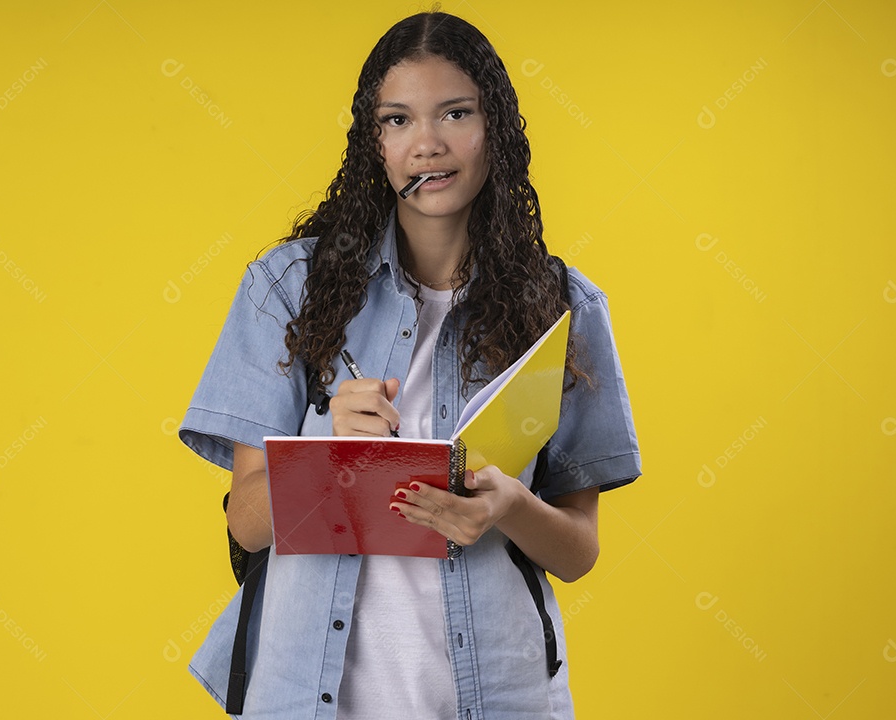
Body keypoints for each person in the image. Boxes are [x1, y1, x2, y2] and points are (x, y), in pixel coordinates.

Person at [178, 9, 640, 719]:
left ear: (498, 131)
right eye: (397, 121)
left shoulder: (564, 306)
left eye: (456, 113)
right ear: (374, 143)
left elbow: (578, 551)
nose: (427, 144)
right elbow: (247, 522)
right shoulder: (287, 288)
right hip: (311, 694)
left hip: (498, 693)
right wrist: (327, 449)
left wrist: (510, 505)